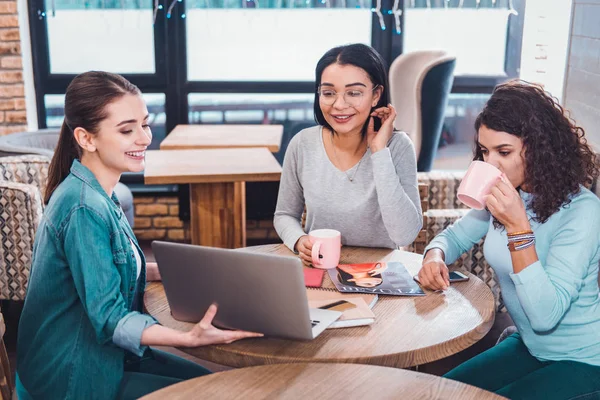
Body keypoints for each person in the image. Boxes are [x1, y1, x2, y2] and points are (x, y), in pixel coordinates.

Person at [16, 71, 262, 400]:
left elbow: (105, 267)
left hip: (109, 356)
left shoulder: (101, 190)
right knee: (222, 393)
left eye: (145, 124)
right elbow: (108, 319)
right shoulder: (83, 207)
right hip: (75, 373)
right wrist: (188, 339)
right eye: (127, 130)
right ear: (86, 139)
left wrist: (177, 271)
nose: (145, 138)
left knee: (228, 388)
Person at [418, 80, 600, 399]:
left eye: (504, 151)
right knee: (437, 393)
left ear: (541, 148)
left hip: (583, 358)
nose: (491, 164)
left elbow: (545, 317)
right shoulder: (505, 193)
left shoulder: (582, 212)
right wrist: (434, 255)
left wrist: (518, 227)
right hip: (530, 346)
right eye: (485, 151)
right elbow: (456, 236)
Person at [274, 43, 422, 265]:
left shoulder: (398, 147)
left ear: (376, 95)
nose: (339, 104)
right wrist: (299, 240)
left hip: (379, 276)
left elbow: (404, 234)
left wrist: (379, 151)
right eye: (328, 93)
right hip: (320, 270)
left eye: (354, 93)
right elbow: (284, 215)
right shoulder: (302, 144)